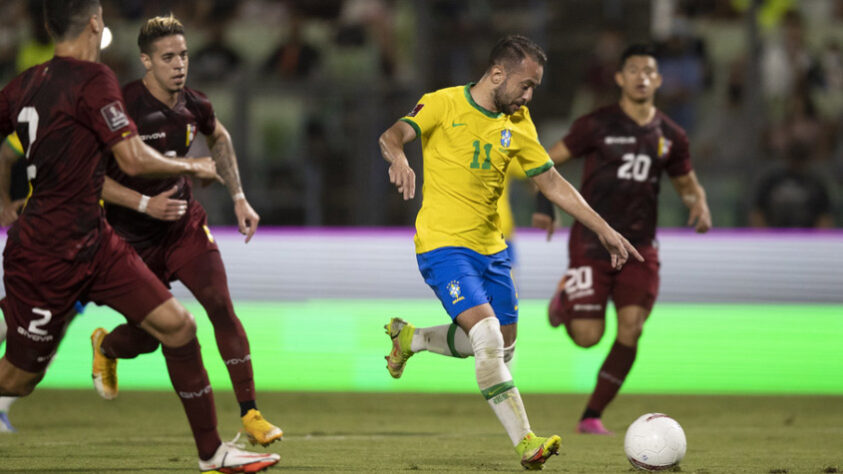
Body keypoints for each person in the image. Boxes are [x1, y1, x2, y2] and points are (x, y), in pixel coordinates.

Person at [0, 1, 279, 471]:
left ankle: (213, 453)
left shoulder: (25, 83)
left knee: (179, 326)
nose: (180, 65)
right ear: (95, 22)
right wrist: (192, 166)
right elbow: (130, 160)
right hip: (49, 249)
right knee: (19, 379)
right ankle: (99, 349)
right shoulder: (98, 81)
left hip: (98, 238)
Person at [378, 34, 642, 469]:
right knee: (485, 338)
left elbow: (552, 182)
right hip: (444, 247)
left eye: (534, 87)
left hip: (493, 251)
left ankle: (413, 338)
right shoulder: (442, 104)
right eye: (526, 84)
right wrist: (399, 158)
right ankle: (527, 443)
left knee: (503, 348)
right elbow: (392, 135)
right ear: (497, 74)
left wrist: (604, 229)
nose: (529, 95)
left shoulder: (518, 122)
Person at [92, 14, 282, 447]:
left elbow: (220, 138)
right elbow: (93, 179)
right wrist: (143, 203)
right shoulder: (123, 110)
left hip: (183, 226)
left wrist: (238, 196)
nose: (179, 64)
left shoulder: (195, 104)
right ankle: (106, 347)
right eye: (167, 57)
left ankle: (250, 413)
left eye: (183, 55)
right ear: (146, 61)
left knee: (218, 303)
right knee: (146, 339)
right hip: (132, 241)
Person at [533, 43, 711, 435]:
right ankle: (566, 297)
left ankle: (591, 415)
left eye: (649, 71)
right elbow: (544, 162)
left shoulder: (671, 135)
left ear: (659, 80)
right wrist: (545, 206)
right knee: (587, 337)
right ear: (619, 78)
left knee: (632, 328)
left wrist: (697, 202)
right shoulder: (596, 124)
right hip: (592, 241)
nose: (641, 77)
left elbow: (685, 182)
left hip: (640, 247)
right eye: (633, 70)